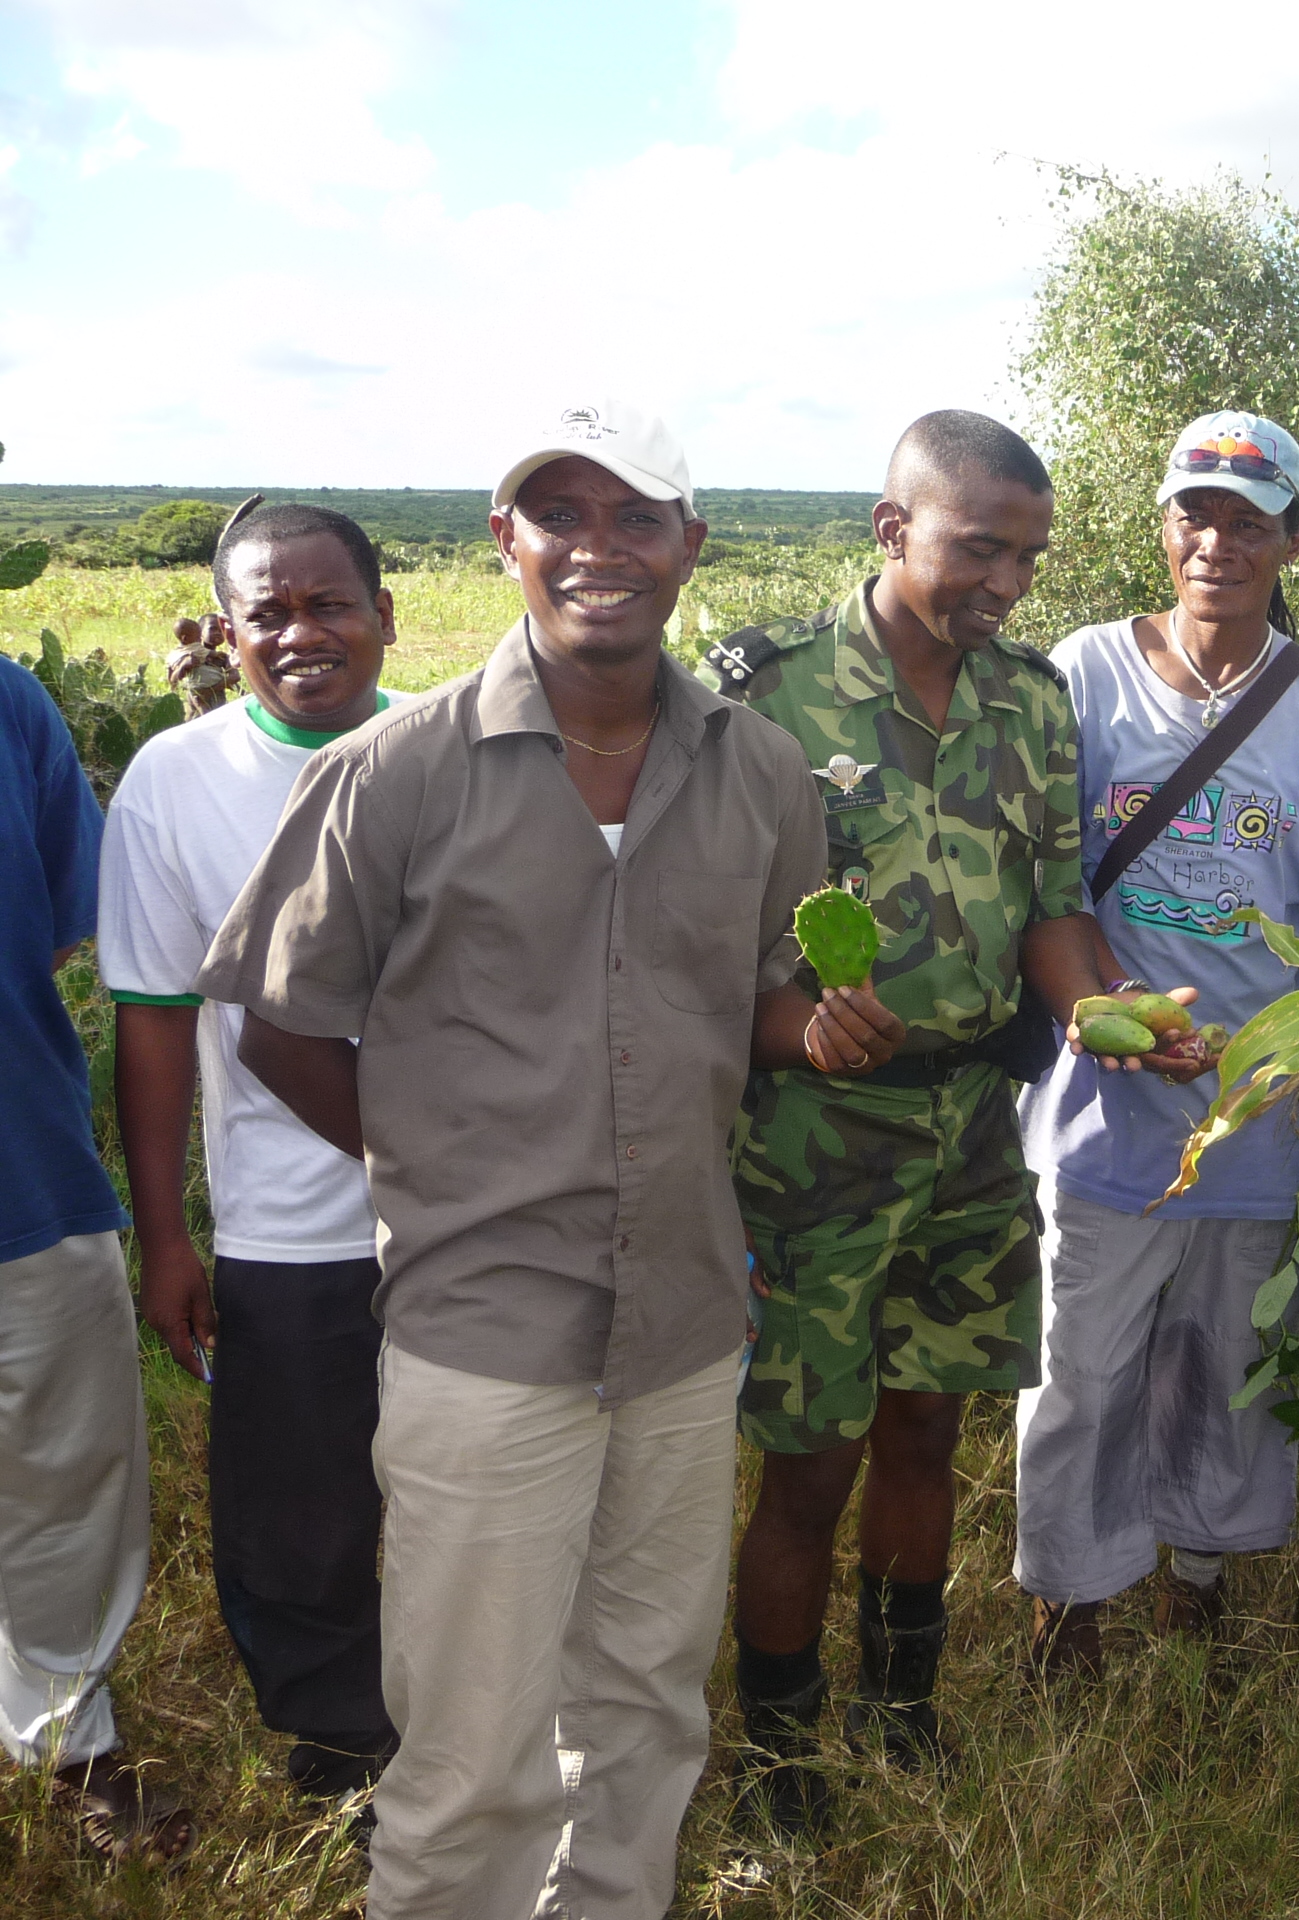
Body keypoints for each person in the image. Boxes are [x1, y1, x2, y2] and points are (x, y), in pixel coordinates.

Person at [199, 399, 837, 1920]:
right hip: (485, 1333)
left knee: (645, 1710)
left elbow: (757, 1006)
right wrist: (433, 1164)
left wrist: (822, 1033)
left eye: (636, 518)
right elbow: (283, 1029)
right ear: (507, 544)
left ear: (692, 545)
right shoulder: (396, 771)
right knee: (473, 1753)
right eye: (562, 515)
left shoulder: (763, 776)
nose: (597, 549)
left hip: (685, 1326)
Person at [705, 410, 1162, 1834]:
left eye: (1029, 558)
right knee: (809, 1463)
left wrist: (1097, 1013)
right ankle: (783, 1757)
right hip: (812, 1142)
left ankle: (900, 1714)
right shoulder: (760, 698)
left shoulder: (1031, 701)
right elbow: (690, 935)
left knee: (925, 1435)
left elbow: (1049, 904)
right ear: (893, 527)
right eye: (980, 549)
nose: (1009, 586)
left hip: (975, 1129)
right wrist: (787, 1027)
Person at [1014, 412, 1299, 1673]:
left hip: (1260, 1102)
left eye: (1247, 519)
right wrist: (1108, 1012)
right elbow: (1050, 885)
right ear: (1162, 526)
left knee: (1230, 1360)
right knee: (1082, 1367)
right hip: (1108, 1098)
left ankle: (1199, 1579)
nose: (1216, 541)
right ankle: (1069, 1598)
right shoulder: (1084, 670)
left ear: (1292, 537)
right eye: (1195, 514)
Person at [102, 501, 402, 1806]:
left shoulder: (456, 749)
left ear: (385, 614)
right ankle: (338, 1747)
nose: (303, 632)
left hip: (471, 1218)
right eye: (269, 611)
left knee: (479, 1489)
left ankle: (480, 1717)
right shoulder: (177, 779)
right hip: (286, 1226)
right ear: (228, 632)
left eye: (330, 602)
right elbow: (159, 1016)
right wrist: (170, 1234)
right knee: (300, 1507)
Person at [0, 653, 195, 1867]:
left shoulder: (8, 701)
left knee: (66, 1469)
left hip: (21, 1162)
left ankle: (65, 1734)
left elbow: (70, 924)